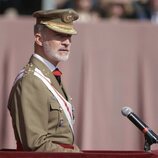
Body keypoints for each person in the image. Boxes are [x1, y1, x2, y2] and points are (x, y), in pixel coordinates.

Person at [7, 8, 80, 152]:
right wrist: (75, 154)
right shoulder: (31, 81)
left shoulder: (49, 76)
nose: (67, 42)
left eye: (69, 36)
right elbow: (36, 144)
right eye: (59, 35)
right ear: (39, 39)